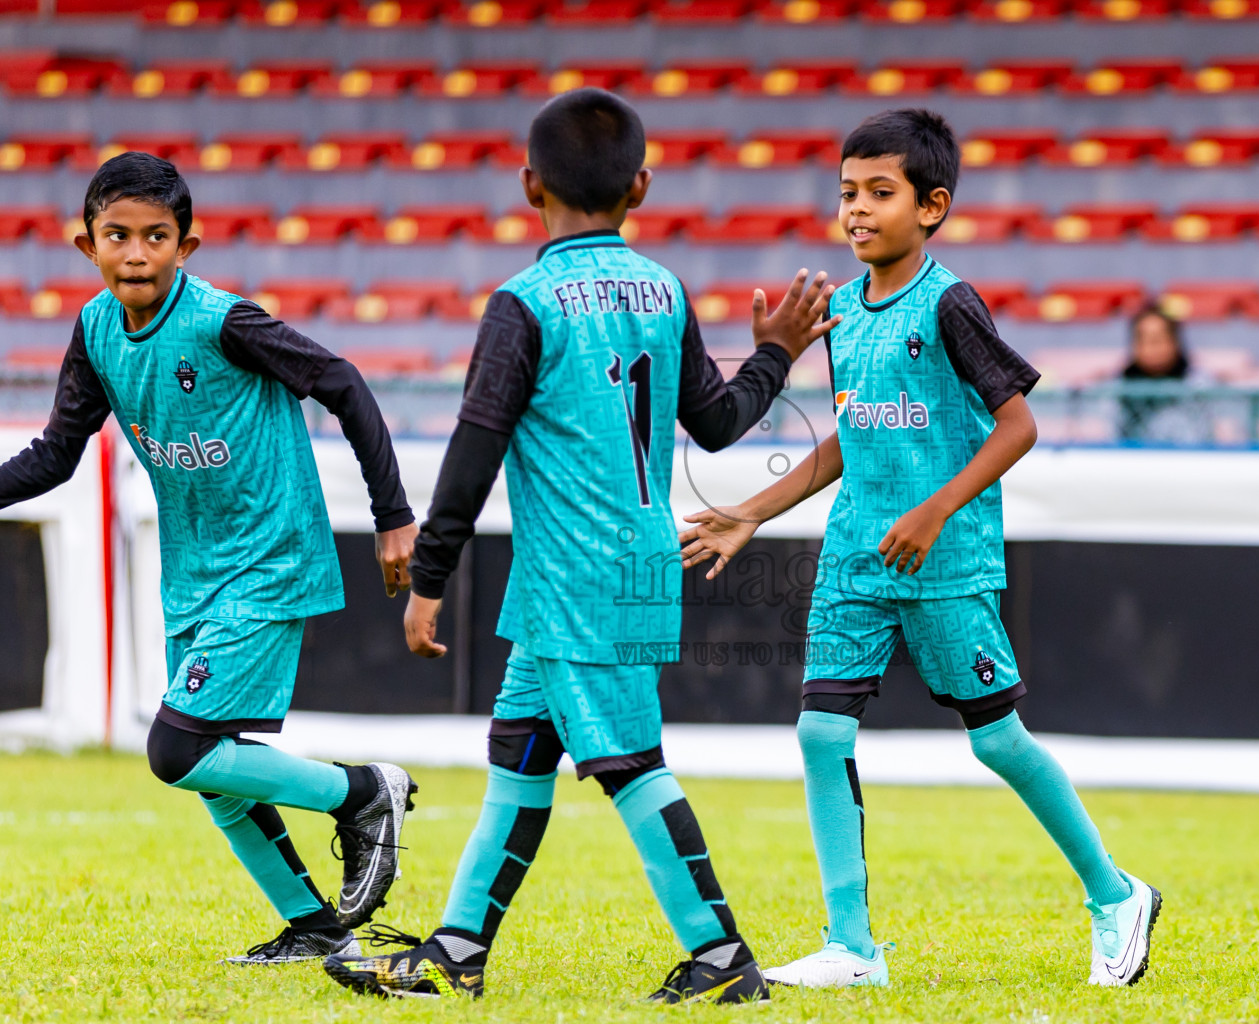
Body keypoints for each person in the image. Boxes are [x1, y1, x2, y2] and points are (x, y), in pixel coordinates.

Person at [320, 88, 838, 1003]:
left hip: (573, 575)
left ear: (529, 185)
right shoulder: (664, 290)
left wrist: (429, 577)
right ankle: (458, 950)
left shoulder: (524, 305)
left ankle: (722, 958)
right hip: (632, 559)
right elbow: (715, 425)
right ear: (641, 185)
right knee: (520, 755)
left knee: (631, 766)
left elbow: (475, 449)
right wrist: (774, 354)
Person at [680, 109, 1161, 989]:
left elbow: (1018, 424)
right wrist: (750, 509)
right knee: (822, 733)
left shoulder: (948, 302)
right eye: (846, 193)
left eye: (879, 193)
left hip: (944, 563)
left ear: (932, 206)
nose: (856, 210)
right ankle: (852, 947)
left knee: (998, 742)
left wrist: (937, 510)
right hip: (855, 559)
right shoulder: (842, 317)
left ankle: (1116, 894)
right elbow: (849, 440)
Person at [0, 153, 421, 963]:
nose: (135, 253)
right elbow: (56, 455)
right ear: (85, 245)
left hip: (270, 560)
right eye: (116, 235)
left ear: (185, 246)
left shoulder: (225, 322)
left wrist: (393, 515)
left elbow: (342, 381)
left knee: (176, 749)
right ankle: (313, 927)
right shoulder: (94, 330)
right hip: (193, 571)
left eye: (155, 237)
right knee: (213, 769)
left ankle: (364, 792)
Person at [1118, 303, 1200, 444]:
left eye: (1157, 339)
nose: (1151, 347)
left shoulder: (1201, 387)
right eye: (1143, 339)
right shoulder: (1115, 390)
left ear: (1175, 342)